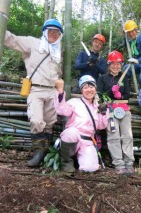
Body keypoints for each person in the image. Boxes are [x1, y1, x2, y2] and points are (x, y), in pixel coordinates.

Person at [4, 19, 63, 167]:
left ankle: (44, 152)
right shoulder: (33, 43)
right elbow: (12, 40)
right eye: (51, 31)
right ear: (45, 31)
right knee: (36, 120)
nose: (54, 34)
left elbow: (58, 72)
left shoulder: (58, 51)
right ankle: (38, 152)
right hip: (36, 89)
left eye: (57, 32)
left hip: (52, 91)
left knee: (50, 123)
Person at [54, 75, 109, 172]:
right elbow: (61, 110)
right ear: (81, 90)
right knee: (71, 132)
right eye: (85, 87)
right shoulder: (74, 102)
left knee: (90, 168)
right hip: (74, 137)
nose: (89, 90)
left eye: (91, 87)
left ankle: (79, 160)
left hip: (88, 142)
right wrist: (60, 91)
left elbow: (102, 125)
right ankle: (67, 162)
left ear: (95, 89)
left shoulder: (98, 106)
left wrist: (104, 113)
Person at [97, 51, 135, 175]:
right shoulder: (103, 78)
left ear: (122, 65)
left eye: (118, 64)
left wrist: (120, 94)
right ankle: (119, 164)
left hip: (124, 109)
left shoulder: (125, 78)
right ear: (109, 64)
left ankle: (129, 163)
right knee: (114, 137)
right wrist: (110, 91)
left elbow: (128, 95)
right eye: (113, 63)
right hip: (110, 110)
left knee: (127, 136)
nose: (115, 66)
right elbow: (100, 95)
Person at [123, 20, 141, 87]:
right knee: (125, 69)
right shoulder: (132, 40)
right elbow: (126, 45)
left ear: (136, 30)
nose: (131, 34)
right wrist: (124, 37)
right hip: (137, 63)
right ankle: (127, 89)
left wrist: (137, 60)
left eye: (132, 31)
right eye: (128, 32)